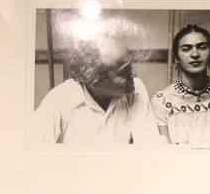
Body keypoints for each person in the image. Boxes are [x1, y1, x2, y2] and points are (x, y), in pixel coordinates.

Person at [30, 36, 160, 145]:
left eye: (131, 66)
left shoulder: (136, 89)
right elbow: (33, 151)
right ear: (96, 82)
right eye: (124, 71)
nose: (134, 74)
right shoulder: (59, 100)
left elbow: (149, 146)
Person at [151, 24, 210, 147]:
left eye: (202, 47)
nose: (195, 54)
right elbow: (164, 154)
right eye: (186, 49)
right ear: (176, 58)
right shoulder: (161, 101)